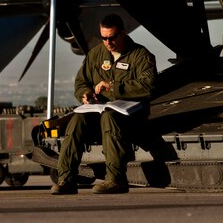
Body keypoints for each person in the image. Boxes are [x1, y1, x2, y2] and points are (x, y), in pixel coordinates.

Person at [51, 13, 157, 194]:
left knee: (109, 117)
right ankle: (66, 179)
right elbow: (81, 82)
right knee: (76, 120)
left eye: (112, 37)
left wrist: (114, 87)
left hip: (131, 116)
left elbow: (148, 86)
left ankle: (116, 179)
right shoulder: (95, 55)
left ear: (123, 33)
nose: (108, 42)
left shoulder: (141, 56)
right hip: (99, 110)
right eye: (104, 38)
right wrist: (84, 94)